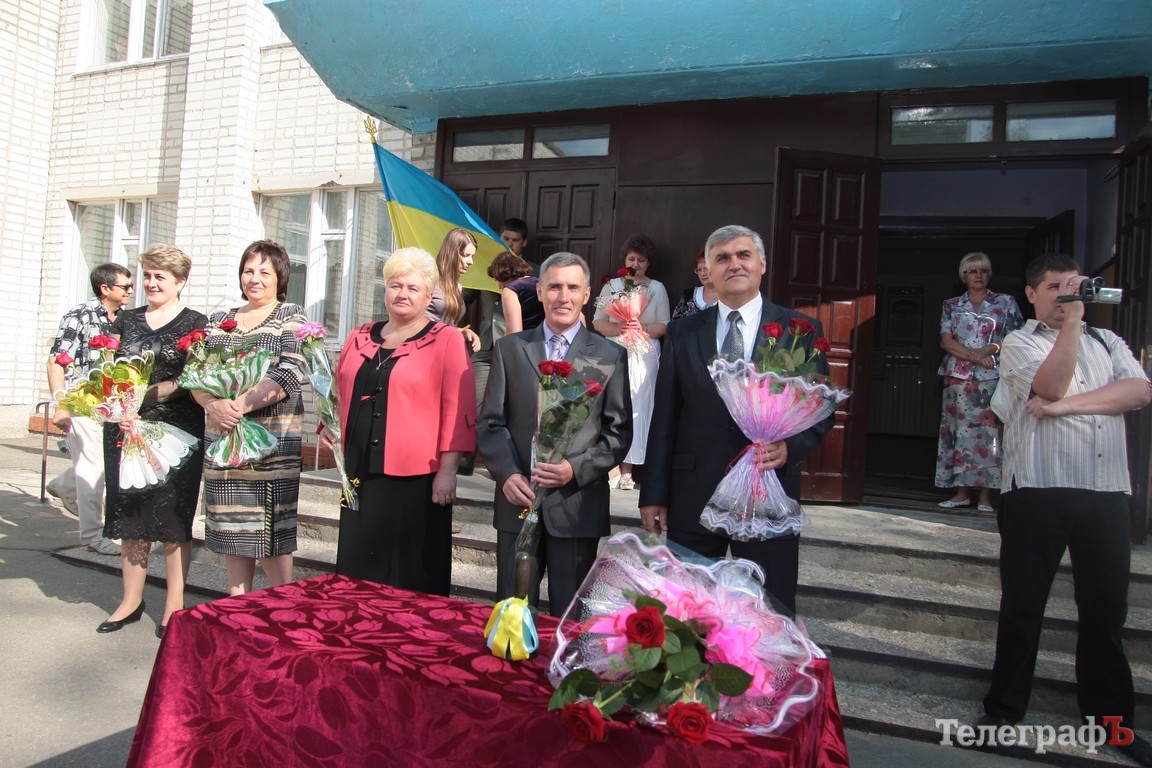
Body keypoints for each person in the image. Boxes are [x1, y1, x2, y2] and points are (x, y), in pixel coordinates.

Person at [978, 253, 1152, 765]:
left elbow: (1139, 392)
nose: (1066, 296)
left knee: (1106, 614)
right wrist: (1072, 328)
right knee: (1023, 608)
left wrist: (1066, 408)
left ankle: (1111, 723)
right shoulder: (1020, 342)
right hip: (1037, 491)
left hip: (1105, 493)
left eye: (1073, 286)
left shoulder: (1109, 341)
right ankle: (1003, 712)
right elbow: (1049, 385)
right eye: (1054, 287)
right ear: (1032, 294)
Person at [639, 224, 832, 617]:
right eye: (722, 258)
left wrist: (790, 447)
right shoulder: (682, 332)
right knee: (686, 616)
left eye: (744, 255)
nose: (734, 264)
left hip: (768, 492)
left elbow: (819, 407)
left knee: (771, 612)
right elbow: (665, 416)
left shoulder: (799, 331)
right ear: (708, 270)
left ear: (762, 264)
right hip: (694, 495)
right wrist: (653, 492)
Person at [478, 252, 631, 615]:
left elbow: (618, 434)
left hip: (576, 507)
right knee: (513, 616)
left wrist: (574, 469)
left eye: (573, 288)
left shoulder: (609, 354)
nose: (563, 296)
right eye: (555, 287)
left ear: (587, 294)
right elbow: (491, 422)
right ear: (540, 292)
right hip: (518, 501)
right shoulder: (511, 349)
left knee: (571, 620)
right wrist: (507, 473)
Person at [326, 247, 476, 595]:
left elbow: (458, 409)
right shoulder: (359, 336)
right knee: (359, 570)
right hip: (360, 472)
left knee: (411, 573)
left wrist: (448, 471)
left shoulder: (446, 339)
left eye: (412, 287)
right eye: (395, 285)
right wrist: (329, 427)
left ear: (429, 295)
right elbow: (337, 390)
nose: (402, 294)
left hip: (418, 479)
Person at [97, 244, 206, 637]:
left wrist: (141, 396)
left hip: (177, 432)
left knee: (173, 516)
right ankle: (130, 600)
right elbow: (107, 369)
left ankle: (174, 604)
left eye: (160, 276)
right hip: (126, 429)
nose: (151, 283)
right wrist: (114, 402)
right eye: (147, 275)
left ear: (180, 281)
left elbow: (192, 378)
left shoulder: (196, 322)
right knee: (132, 512)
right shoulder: (125, 320)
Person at [192, 240, 309, 596]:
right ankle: (238, 605)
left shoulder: (291, 316)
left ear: (280, 277)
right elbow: (195, 373)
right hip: (223, 442)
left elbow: (290, 372)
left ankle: (283, 606)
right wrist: (212, 404)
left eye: (264, 272)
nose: (254, 278)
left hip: (271, 445)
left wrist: (237, 406)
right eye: (248, 270)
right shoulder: (219, 321)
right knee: (232, 528)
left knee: (271, 531)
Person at [46, 263, 134, 556]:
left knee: (102, 465)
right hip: (82, 402)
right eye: (125, 286)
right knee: (94, 468)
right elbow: (57, 360)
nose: (130, 290)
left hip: (114, 405)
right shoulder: (80, 315)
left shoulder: (126, 319)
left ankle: (66, 484)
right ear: (105, 288)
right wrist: (61, 405)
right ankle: (94, 535)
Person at [935, 252, 1023, 513]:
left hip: (991, 378)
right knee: (958, 433)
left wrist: (988, 350)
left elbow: (1015, 338)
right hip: (958, 379)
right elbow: (946, 341)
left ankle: (985, 496)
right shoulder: (952, 305)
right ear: (963, 276)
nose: (978, 275)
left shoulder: (1005, 302)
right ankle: (961, 492)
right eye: (972, 271)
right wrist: (975, 356)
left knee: (989, 436)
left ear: (990, 275)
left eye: (983, 270)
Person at [593, 234, 670, 490]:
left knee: (638, 406)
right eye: (631, 259)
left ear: (649, 263)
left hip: (644, 352)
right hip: (615, 349)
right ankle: (609, 464)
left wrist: (642, 327)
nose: (635, 264)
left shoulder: (657, 288)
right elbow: (598, 322)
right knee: (610, 405)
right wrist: (621, 328)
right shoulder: (612, 286)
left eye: (641, 260)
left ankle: (628, 468)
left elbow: (664, 325)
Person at [427, 228, 481, 352]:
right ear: (452, 252)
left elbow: (448, 325)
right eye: (466, 255)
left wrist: (463, 332)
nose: (471, 261)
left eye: (472, 256)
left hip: (445, 349)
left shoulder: (457, 287)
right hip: (423, 349)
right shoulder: (428, 279)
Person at [488, 251, 543, 333]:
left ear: (501, 273)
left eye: (496, 280)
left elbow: (514, 331)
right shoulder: (538, 283)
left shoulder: (511, 290)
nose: (499, 286)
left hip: (527, 338)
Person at [671, 248, 719, 319]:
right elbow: (675, 322)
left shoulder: (730, 296)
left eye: (706, 268)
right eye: (699, 270)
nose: (702, 273)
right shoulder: (688, 295)